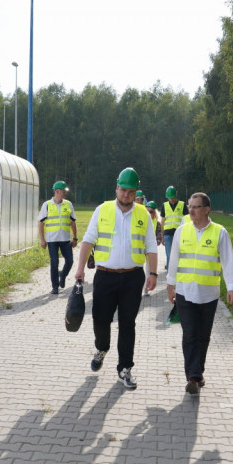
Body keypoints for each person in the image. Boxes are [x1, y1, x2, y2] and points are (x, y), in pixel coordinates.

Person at [75, 167, 159, 389]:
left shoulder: (143, 214)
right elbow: (88, 240)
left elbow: (151, 246)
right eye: (123, 190)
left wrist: (153, 273)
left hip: (133, 278)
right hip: (105, 276)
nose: (126, 195)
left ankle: (125, 368)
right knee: (100, 319)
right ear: (116, 188)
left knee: (127, 324)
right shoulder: (102, 210)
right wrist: (80, 269)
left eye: (131, 191)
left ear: (136, 192)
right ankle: (102, 348)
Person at [166, 192, 233, 395]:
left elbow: (228, 261)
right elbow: (173, 260)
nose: (191, 210)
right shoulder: (182, 231)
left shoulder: (220, 232)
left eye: (196, 207)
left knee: (203, 335)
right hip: (184, 291)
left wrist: (232, 287)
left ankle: (197, 373)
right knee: (190, 334)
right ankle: (193, 376)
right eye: (189, 206)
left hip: (208, 294)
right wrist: (170, 285)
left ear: (206, 209)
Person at [38, 180, 78, 294]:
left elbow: (73, 222)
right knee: (54, 263)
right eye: (64, 191)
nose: (65, 193)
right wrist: (42, 239)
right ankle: (55, 287)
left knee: (69, 261)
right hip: (52, 240)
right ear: (57, 191)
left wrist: (75, 238)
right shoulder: (46, 205)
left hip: (65, 239)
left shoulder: (68, 204)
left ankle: (63, 275)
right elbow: (41, 223)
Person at [161, 186, 185, 270]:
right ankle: (170, 275)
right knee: (169, 255)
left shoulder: (182, 205)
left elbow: (186, 219)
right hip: (167, 234)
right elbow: (163, 221)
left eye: (172, 197)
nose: (171, 199)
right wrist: (162, 235)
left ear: (176, 195)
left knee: (178, 255)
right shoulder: (164, 205)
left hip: (179, 234)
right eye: (169, 198)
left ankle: (178, 273)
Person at [143, 200, 162, 296]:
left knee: (149, 270)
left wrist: (156, 242)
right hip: (138, 251)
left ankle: (146, 289)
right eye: (147, 211)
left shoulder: (157, 223)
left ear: (154, 212)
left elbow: (159, 236)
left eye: (151, 211)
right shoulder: (141, 221)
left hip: (150, 251)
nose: (149, 213)